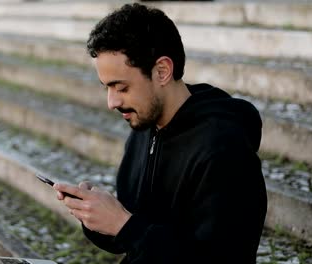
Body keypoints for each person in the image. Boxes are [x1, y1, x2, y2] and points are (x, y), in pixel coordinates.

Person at [53, 3, 267, 263]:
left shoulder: (224, 149)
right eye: (106, 88)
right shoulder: (145, 127)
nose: (112, 102)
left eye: (121, 87)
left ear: (162, 71)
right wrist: (94, 214)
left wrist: (125, 226)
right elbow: (134, 235)